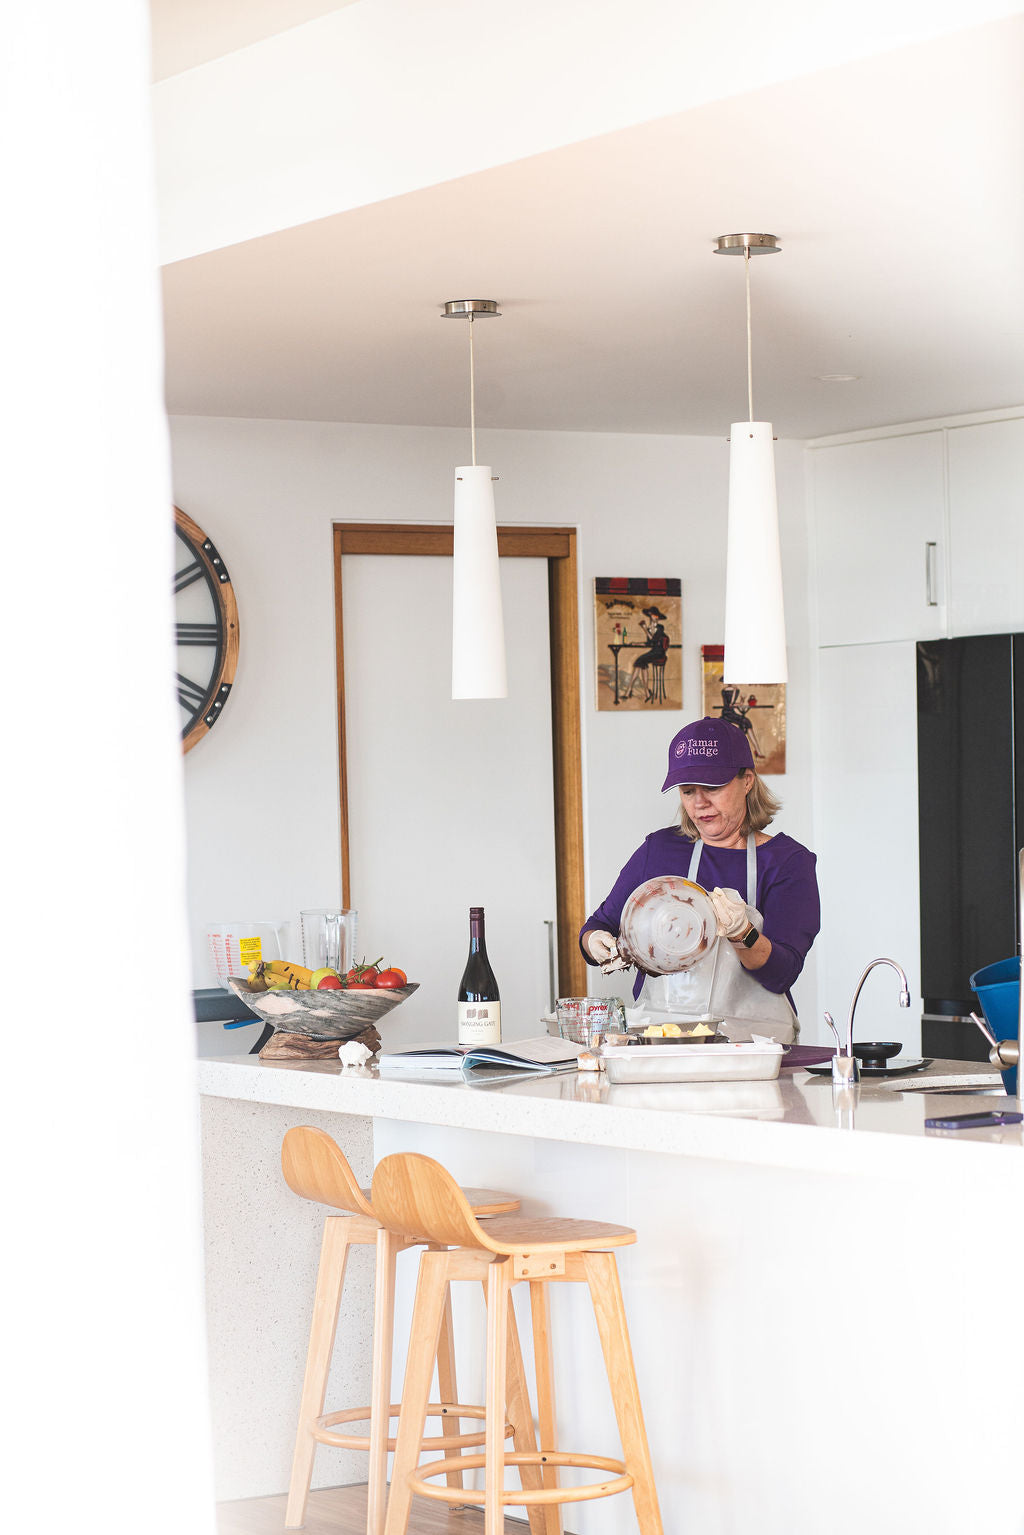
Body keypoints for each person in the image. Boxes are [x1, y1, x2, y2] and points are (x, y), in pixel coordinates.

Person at [579, 716, 820, 1042]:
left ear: (747, 780)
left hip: (753, 1049)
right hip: (664, 1041)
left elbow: (782, 974)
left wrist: (742, 933)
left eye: (712, 788)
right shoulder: (660, 850)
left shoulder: (787, 861)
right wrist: (598, 944)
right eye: (688, 791)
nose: (699, 802)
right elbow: (598, 926)